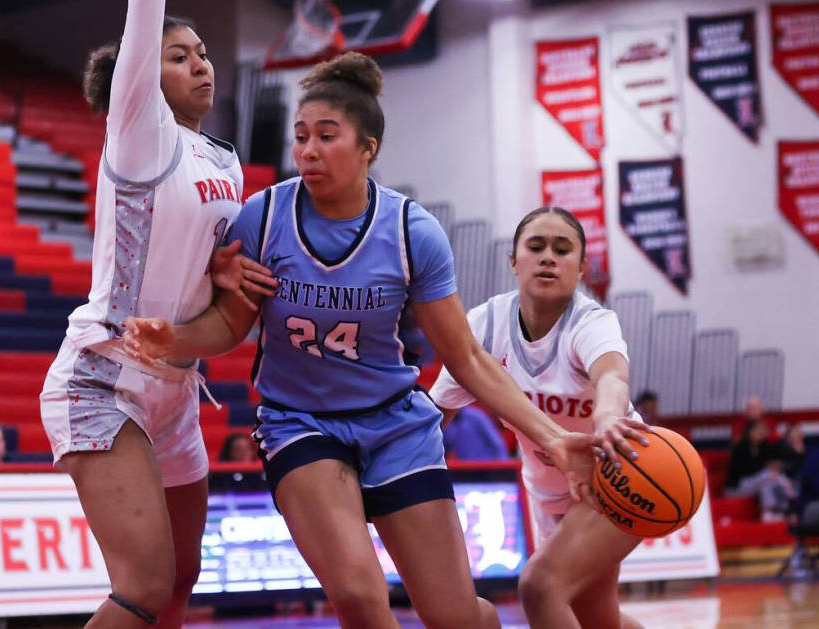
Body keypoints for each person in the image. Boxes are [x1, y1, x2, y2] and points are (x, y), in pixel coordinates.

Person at [124, 53, 600, 629]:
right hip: (300, 424)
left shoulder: (410, 230)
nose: (309, 150)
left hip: (395, 425)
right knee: (358, 597)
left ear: (368, 147)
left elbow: (468, 358)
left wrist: (553, 434)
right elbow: (229, 326)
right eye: (301, 137)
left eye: (328, 136)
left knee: (455, 616)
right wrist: (172, 337)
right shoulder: (262, 216)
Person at [37, 0, 275, 627]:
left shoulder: (225, 161)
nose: (200, 62)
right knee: (142, 583)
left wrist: (221, 273)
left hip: (175, 386)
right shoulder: (143, 131)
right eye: (178, 55)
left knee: (180, 580)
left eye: (202, 52)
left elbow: (217, 306)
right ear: (142, 77)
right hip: (104, 377)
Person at [429, 206, 649, 629]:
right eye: (536, 246)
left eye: (563, 249)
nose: (548, 256)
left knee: (540, 587)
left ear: (582, 267)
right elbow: (437, 413)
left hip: (620, 476)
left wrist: (606, 418)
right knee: (599, 620)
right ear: (514, 260)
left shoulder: (592, 322)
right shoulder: (485, 324)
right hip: (549, 493)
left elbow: (612, 378)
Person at [724, 419, 795, 521]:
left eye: (763, 430)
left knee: (767, 482)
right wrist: (766, 467)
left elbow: (774, 462)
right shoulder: (740, 447)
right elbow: (743, 471)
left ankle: (769, 512)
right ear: (749, 432)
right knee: (768, 475)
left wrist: (772, 466)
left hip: (758, 483)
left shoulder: (764, 447)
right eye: (758, 430)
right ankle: (787, 487)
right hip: (737, 487)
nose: (761, 433)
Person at [442, 404, 510, 461]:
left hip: (487, 467)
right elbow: (445, 448)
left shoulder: (476, 416)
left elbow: (496, 441)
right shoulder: (445, 421)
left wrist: (503, 467)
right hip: (466, 470)